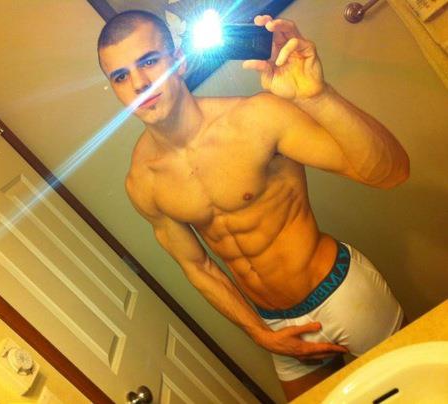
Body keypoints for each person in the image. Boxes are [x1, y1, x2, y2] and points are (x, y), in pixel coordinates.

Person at [97, 9, 409, 400]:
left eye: (149, 61)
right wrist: (260, 333)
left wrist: (317, 96)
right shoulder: (143, 181)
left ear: (178, 60)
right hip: (275, 323)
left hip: (341, 295)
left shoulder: (257, 118)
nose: (139, 83)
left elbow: (391, 173)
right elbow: (198, 266)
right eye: (121, 76)